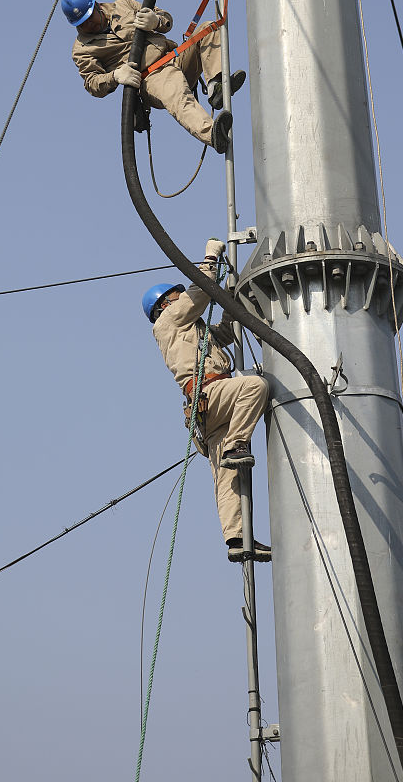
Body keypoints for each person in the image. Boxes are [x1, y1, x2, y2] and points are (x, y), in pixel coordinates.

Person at [142, 238, 271, 564]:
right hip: (211, 395)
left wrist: (230, 299)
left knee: (228, 475)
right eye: (176, 295)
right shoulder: (169, 322)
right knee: (254, 387)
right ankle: (237, 443)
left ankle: (237, 538)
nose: (180, 296)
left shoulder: (193, 330)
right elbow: (199, 292)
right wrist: (211, 257)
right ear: (164, 304)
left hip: (207, 409)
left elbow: (226, 332)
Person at [61, 0, 245, 154]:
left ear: (97, 6)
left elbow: (166, 18)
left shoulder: (123, 5)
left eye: (90, 18)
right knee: (177, 95)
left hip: (174, 56)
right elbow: (92, 83)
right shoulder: (82, 49)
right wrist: (115, 76)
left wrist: (156, 21)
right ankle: (212, 134)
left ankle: (217, 86)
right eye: (82, 24)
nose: (89, 26)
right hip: (152, 76)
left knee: (208, 28)